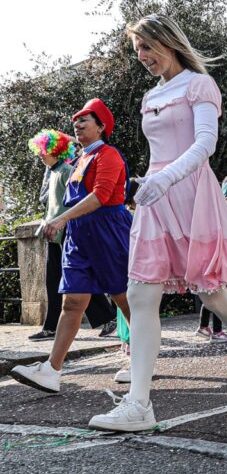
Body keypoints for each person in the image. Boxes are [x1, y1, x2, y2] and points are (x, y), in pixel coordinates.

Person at [88, 15, 227, 431]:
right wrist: (150, 183)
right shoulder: (149, 95)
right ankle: (139, 403)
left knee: (212, 295)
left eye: (146, 46)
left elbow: (204, 144)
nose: (141, 56)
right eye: (136, 49)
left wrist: (164, 178)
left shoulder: (199, 84)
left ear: (168, 41)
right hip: (157, 197)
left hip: (192, 194)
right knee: (140, 294)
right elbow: (161, 148)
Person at [10, 100, 134, 394]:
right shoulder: (79, 160)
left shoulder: (109, 155)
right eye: (76, 122)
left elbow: (101, 196)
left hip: (107, 232)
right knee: (73, 302)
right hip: (79, 236)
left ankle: (142, 360)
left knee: (125, 300)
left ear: (102, 126)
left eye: (85, 121)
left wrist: (61, 219)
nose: (77, 126)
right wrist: (66, 221)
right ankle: (52, 370)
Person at [25, 130, 118, 342]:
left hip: (67, 233)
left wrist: (64, 223)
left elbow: (77, 200)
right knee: (56, 281)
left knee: (75, 281)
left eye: (44, 150)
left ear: (55, 150)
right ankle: (53, 327)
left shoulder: (66, 170)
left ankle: (108, 317)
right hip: (54, 235)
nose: (40, 154)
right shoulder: (52, 172)